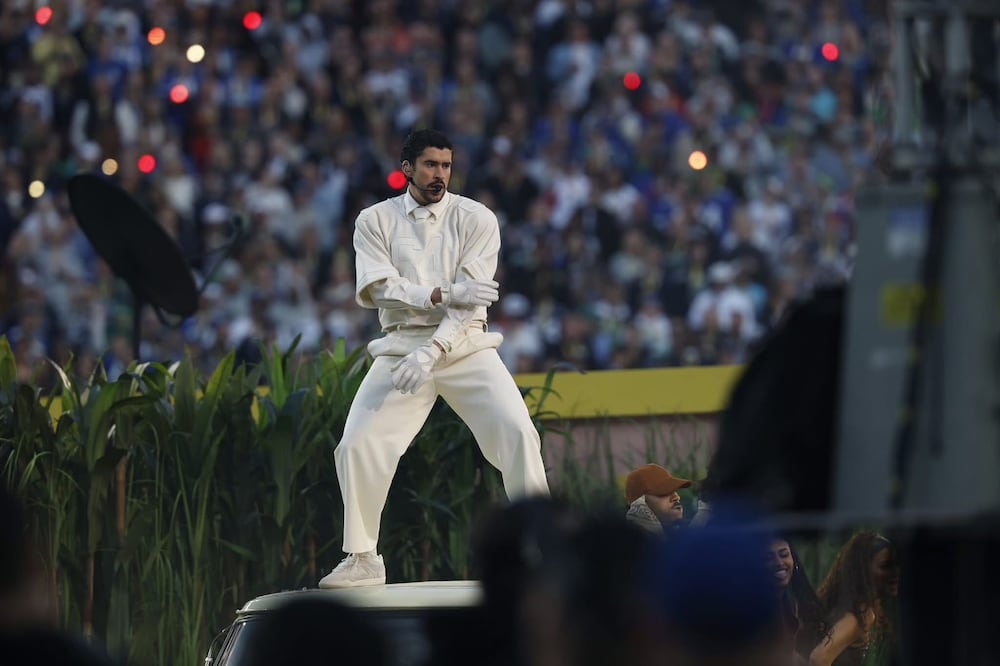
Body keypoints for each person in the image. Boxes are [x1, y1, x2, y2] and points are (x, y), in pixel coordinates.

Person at [319, 129, 551, 589]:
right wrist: (440, 293)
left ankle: (543, 547)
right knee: (356, 445)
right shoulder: (374, 220)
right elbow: (380, 288)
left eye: (445, 165)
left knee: (518, 431)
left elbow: (472, 304)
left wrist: (435, 350)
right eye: (429, 165)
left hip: (464, 344)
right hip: (400, 345)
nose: (439, 174)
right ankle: (363, 557)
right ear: (407, 167)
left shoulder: (477, 217)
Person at [809, 532, 900, 666]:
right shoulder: (855, 618)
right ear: (863, 570)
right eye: (885, 566)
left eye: (896, 564)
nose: (895, 572)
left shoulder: (863, 609)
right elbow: (817, 659)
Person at [767, 535, 825, 663]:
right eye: (769, 558)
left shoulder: (789, 602)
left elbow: (787, 653)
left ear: (793, 559)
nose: (779, 562)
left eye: (784, 554)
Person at [623, 463, 692, 538]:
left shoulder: (694, 531)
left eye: (674, 490)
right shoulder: (625, 545)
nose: (676, 497)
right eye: (664, 493)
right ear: (639, 504)